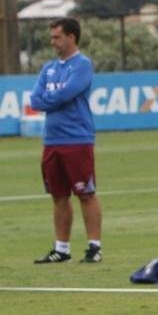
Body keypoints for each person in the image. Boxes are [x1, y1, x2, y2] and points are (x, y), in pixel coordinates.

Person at [30, 17, 103, 264]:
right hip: (52, 140)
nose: (52, 42)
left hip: (77, 139)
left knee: (85, 193)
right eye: (51, 37)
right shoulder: (48, 68)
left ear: (71, 37)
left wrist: (51, 98)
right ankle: (62, 249)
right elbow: (35, 100)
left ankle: (94, 247)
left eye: (57, 37)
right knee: (58, 196)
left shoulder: (82, 65)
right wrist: (55, 97)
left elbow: (68, 92)